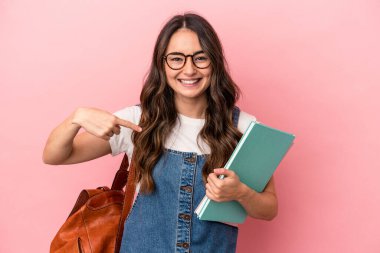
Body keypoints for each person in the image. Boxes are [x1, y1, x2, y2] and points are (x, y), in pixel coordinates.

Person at [43, 12, 278, 253]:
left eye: (200, 58)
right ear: (162, 64)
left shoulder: (242, 128)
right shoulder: (137, 121)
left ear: (214, 62)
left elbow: (269, 209)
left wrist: (241, 192)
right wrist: (76, 118)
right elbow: (55, 155)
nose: (189, 69)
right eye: (177, 59)